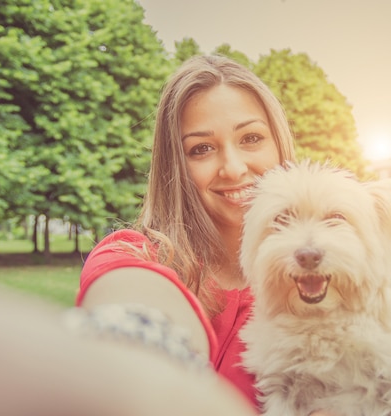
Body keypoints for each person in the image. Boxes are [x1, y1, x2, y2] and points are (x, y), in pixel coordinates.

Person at [74, 54, 309, 413]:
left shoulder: (318, 285)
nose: (233, 168)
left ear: (279, 144)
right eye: (202, 149)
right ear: (176, 166)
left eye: (251, 138)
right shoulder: (132, 255)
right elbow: (135, 321)